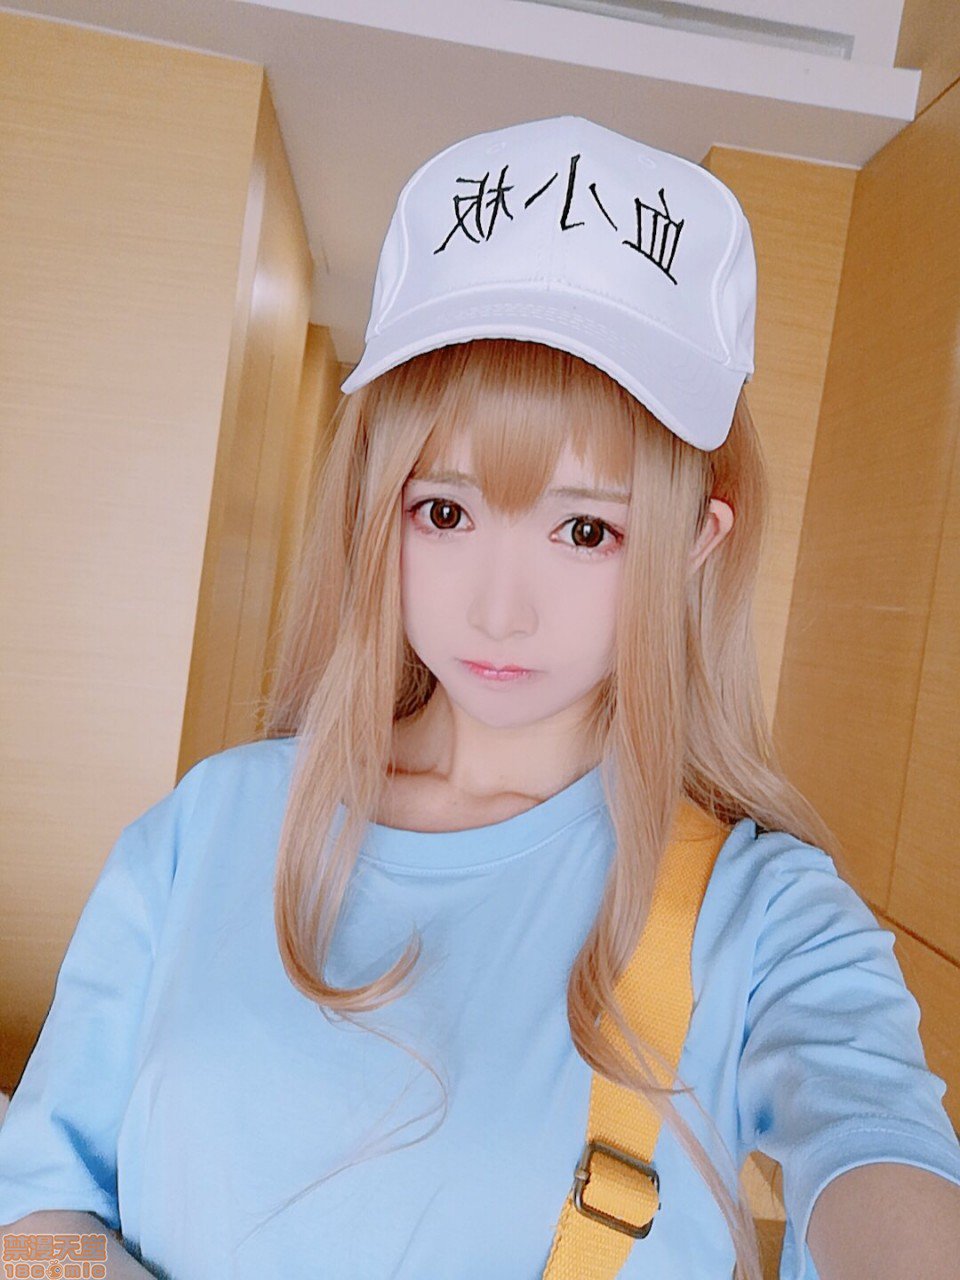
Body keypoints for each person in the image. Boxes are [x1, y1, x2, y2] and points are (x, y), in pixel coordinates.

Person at [1, 114, 958, 1280]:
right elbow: (33, 1206)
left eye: (587, 529)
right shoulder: (208, 826)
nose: (502, 611)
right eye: (445, 511)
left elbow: (879, 1146)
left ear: (698, 542)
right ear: (377, 508)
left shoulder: (760, 915)